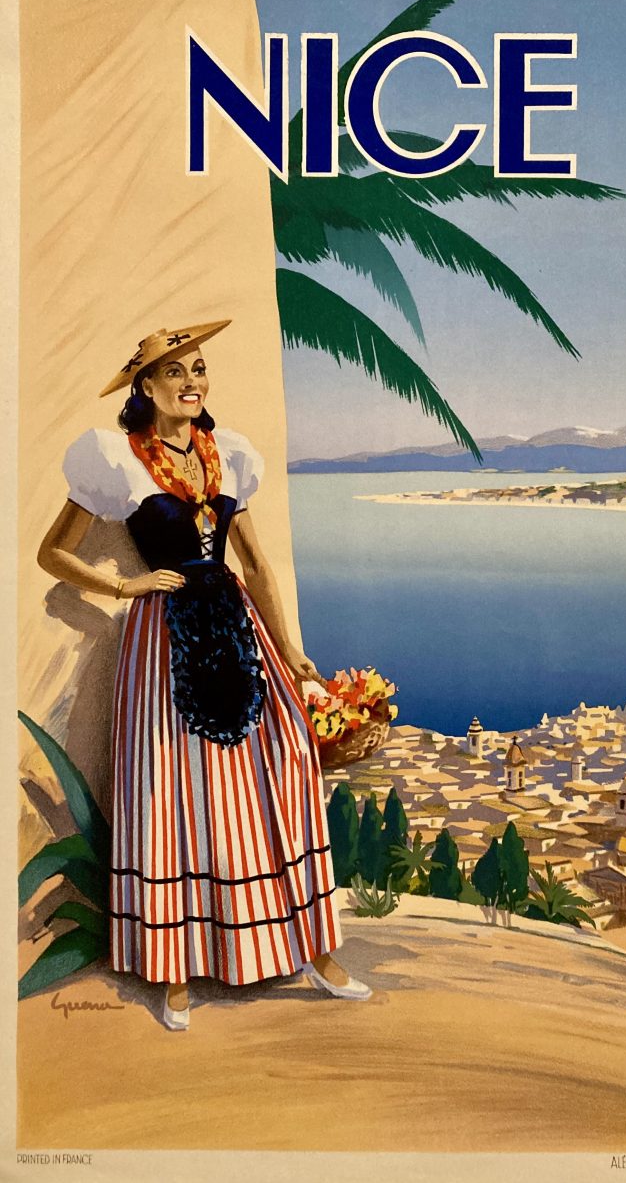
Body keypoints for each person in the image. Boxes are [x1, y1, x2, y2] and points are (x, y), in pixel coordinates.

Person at [37, 320, 371, 1030]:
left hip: (238, 628)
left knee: (280, 772)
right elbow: (52, 554)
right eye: (175, 372)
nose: (191, 382)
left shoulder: (230, 455)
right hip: (164, 641)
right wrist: (127, 591)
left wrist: (293, 650)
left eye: (199, 369)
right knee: (175, 792)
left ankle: (312, 948)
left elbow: (256, 564)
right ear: (146, 387)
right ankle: (176, 971)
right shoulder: (116, 460)